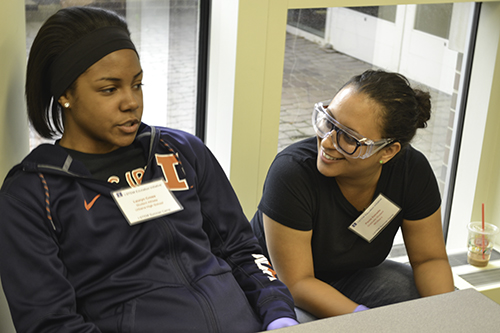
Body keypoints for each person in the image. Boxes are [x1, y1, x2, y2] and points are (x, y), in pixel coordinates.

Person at [0, 6, 298, 332]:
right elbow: (51, 323)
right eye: (109, 89)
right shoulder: (33, 195)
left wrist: (278, 313)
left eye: (137, 84)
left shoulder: (182, 151)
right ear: (66, 95)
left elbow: (241, 248)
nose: (132, 102)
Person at [251, 69, 455, 322]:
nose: (326, 142)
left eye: (349, 137)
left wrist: (447, 317)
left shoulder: (411, 172)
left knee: (416, 291)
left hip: (350, 276)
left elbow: (429, 260)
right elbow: (297, 283)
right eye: (328, 121)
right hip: (279, 285)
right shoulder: (292, 173)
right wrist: (366, 321)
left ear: (388, 151)